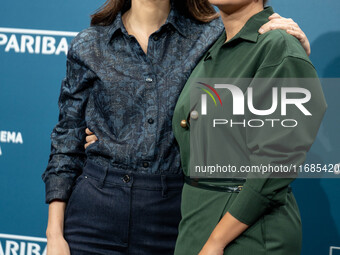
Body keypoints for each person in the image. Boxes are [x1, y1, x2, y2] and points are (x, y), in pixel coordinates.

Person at [42, 0, 311, 254]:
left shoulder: (211, 37)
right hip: (95, 206)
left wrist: (293, 39)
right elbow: (67, 137)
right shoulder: (90, 44)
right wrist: (54, 234)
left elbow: (256, 48)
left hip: (173, 208)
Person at [171, 0, 327, 255]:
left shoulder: (279, 44)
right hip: (197, 223)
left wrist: (216, 241)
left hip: (248, 232)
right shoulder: (215, 45)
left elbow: (276, 163)